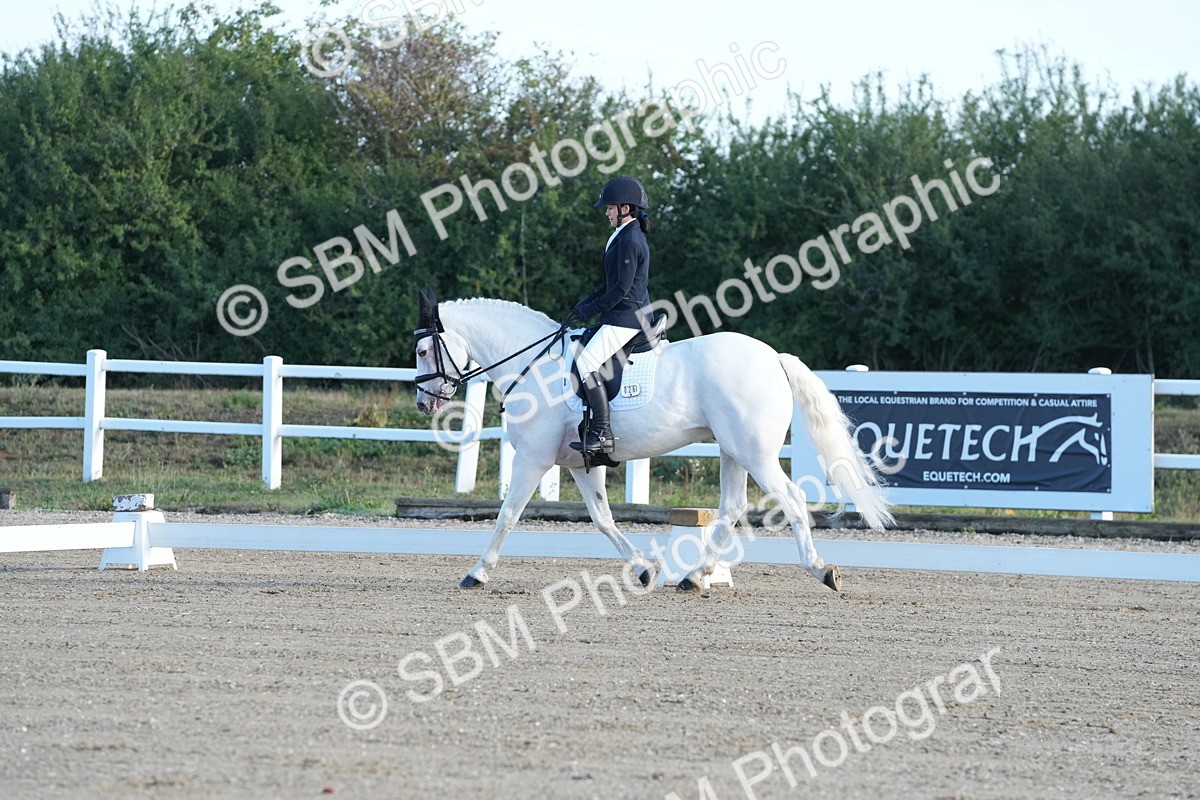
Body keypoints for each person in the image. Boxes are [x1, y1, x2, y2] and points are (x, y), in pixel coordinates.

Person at [565, 175, 652, 456]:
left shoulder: (630, 240)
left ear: (625, 209)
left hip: (627, 316)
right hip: (624, 313)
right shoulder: (623, 235)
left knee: (586, 362)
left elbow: (621, 290)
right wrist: (584, 304)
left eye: (610, 207)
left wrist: (592, 309)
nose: (607, 212)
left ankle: (602, 431)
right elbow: (608, 283)